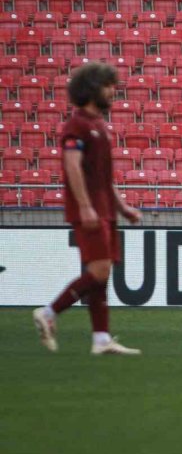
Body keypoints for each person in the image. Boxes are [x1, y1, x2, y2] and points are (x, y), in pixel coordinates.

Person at [32, 62, 142, 355]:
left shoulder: (99, 127)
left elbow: (105, 178)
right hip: (90, 210)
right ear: (93, 89)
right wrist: (84, 206)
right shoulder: (77, 125)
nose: (113, 92)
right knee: (99, 270)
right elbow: (72, 166)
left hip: (104, 208)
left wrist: (122, 207)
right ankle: (49, 312)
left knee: (101, 273)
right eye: (108, 86)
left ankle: (101, 338)